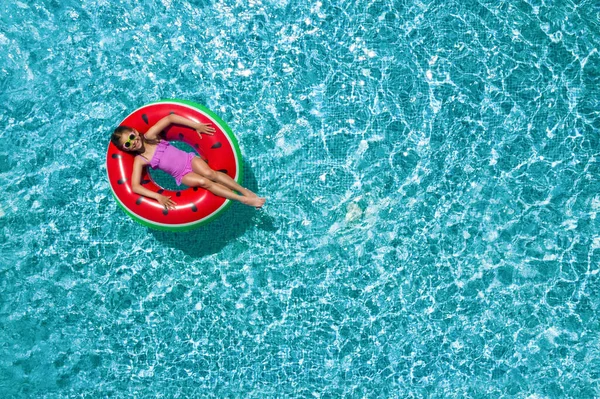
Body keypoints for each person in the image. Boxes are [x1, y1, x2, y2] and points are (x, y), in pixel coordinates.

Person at [110, 114, 266, 210]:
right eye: (127, 144)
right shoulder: (140, 159)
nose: (133, 142)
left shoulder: (151, 136)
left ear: (135, 132)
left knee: (209, 173)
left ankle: (243, 190)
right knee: (204, 182)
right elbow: (135, 187)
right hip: (181, 175)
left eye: (131, 137)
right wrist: (158, 197)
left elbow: (170, 118)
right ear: (127, 149)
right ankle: (242, 199)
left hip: (189, 160)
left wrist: (196, 126)